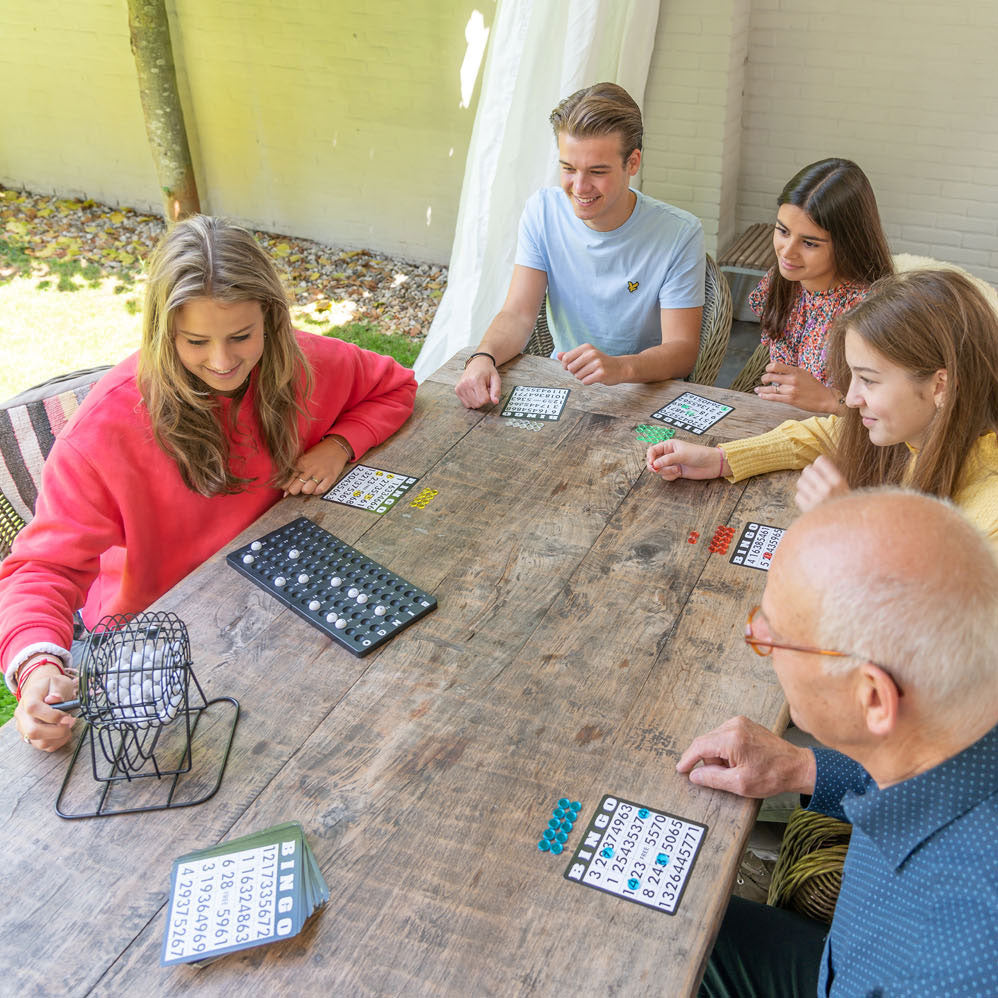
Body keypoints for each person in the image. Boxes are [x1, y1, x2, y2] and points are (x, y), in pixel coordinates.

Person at [2, 215, 417, 751]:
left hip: (285, 584)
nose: (223, 362)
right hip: (153, 631)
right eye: (196, 341)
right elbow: (42, 567)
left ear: (271, 320)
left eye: (241, 336)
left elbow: (396, 387)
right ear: (162, 332)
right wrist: (37, 664)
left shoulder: (305, 361)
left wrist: (339, 445)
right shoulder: (103, 431)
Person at [678, 489, 998, 996]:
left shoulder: (955, 965)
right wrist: (801, 767)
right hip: (839, 960)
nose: (761, 643)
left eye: (772, 638)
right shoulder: (958, 721)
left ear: (872, 697)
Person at [646, 269, 998, 545]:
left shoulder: (990, 508)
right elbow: (827, 431)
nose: (852, 399)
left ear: (941, 385)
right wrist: (722, 459)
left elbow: (937, 622)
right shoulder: (913, 431)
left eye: (869, 380)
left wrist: (848, 525)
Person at [455, 82, 705, 408]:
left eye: (597, 171)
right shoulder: (542, 212)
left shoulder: (680, 233)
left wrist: (621, 367)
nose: (580, 187)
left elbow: (682, 350)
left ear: (633, 163)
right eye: (568, 169)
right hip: (564, 385)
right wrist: (483, 357)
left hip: (646, 391)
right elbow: (517, 314)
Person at [750, 158, 893, 414]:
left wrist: (830, 400)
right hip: (779, 427)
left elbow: (900, 414)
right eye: (783, 231)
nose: (787, 252)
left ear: (847, 243)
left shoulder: (872, 311)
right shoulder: (781, 281)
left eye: (809, 243)